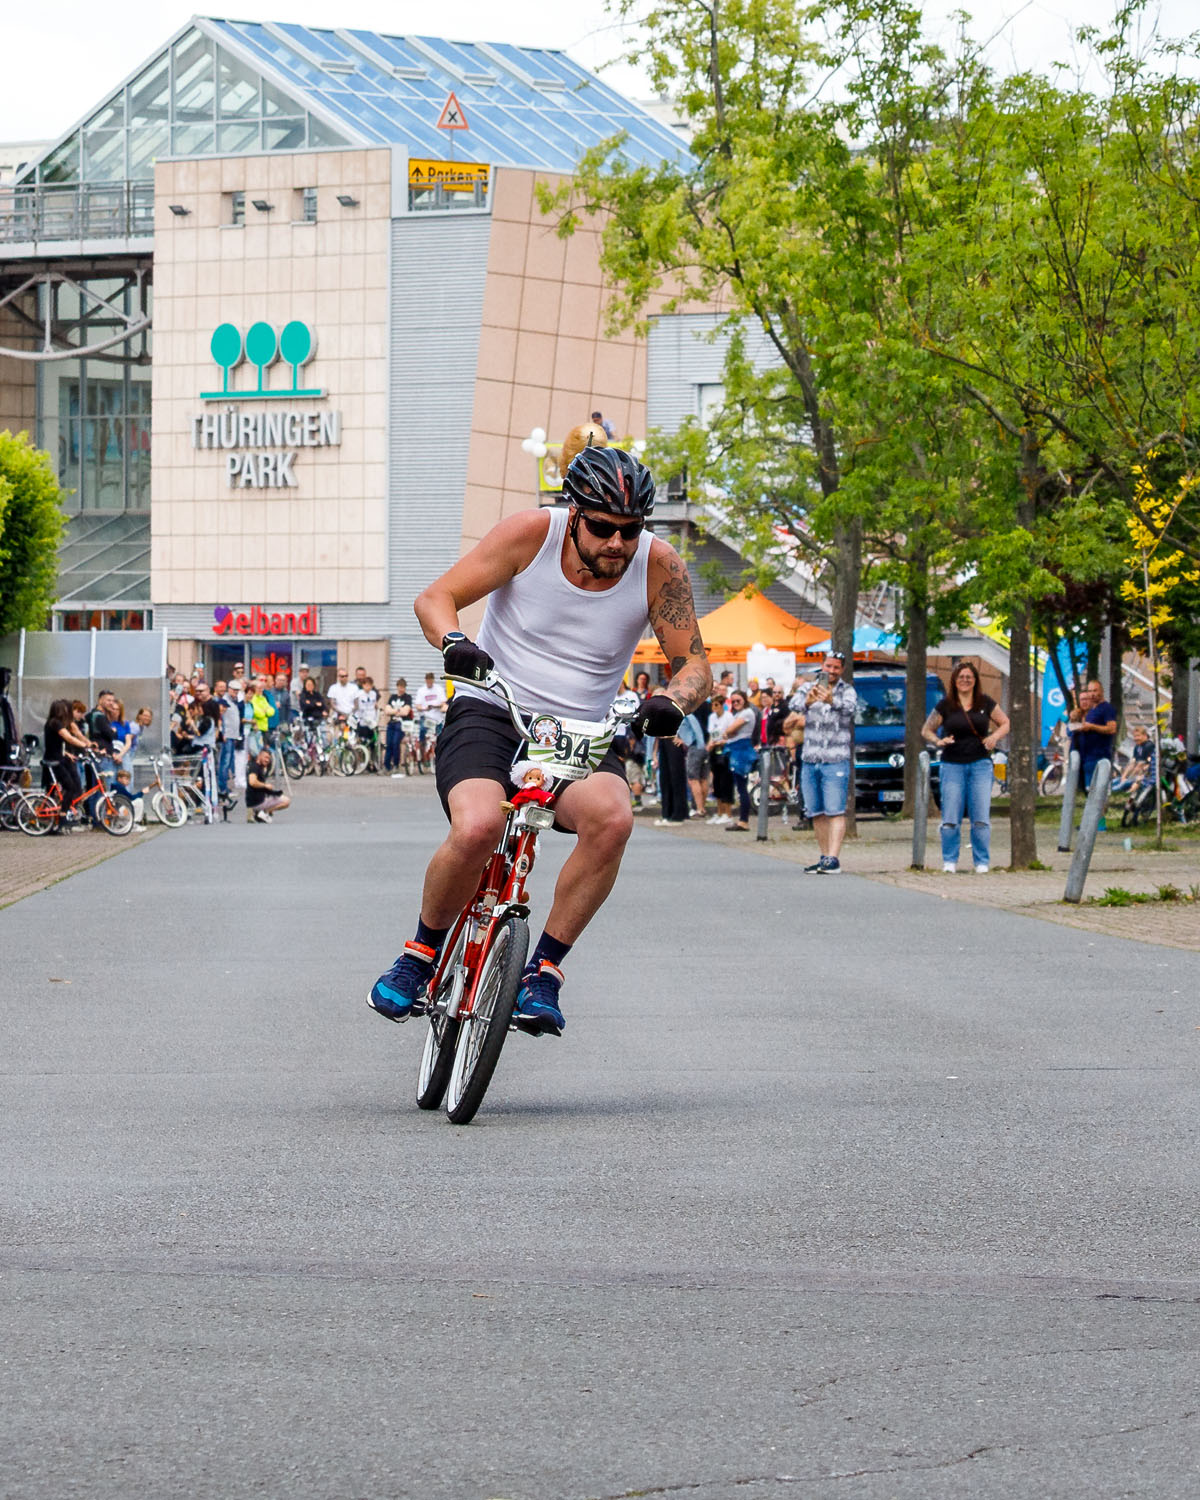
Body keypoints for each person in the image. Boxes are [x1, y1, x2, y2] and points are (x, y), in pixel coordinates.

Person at [368, 444, 710, 1038]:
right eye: (603, 528)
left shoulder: (660, 567)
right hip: (494, 709)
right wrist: (454, 642)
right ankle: (420, 954)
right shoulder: (532, 534)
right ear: (574, 513)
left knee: (614, 818)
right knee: (477, 827)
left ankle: (544, 970)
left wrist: (673, 701)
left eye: (630, 532)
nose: (617, 545)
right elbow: (434, 598)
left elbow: (695, 666)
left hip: (584, 728)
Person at [922, 660, 1010, 874]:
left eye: (969, 677)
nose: (965, 680)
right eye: (961, 677)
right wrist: (938, 741)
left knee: (980, 817)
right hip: (952, 765)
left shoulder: (985, 702)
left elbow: (1005, 722)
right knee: (951, 817)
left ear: (975, 680)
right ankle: (949, 861)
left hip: (980, 764)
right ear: (954, 680)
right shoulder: (946, 705)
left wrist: (994, 737)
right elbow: (926, 730)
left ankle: (981, 862)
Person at [797, 651, 857, 873]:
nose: (831, 671)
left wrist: (832, 700)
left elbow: (851, 709)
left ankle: (834, 857)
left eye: (836, 668)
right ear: (822, 666)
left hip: (835, 759)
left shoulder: (847, 690)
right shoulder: (808, 687)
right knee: (816, 812)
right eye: (828, 666)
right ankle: (824, 857)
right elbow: (793, 706)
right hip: (811, 758)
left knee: (835, 810)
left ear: (841, 670)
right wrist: (808, 700)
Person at [709, 688, 757, 831]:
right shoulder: (738, 714)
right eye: (733, 701)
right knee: (738, 786)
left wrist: (728, 732)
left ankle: (744, 821)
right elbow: (727, 732)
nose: (736, 703)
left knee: (741, 787)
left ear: (745, 700)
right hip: (735, 748)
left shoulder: (747, 713)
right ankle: (742, 819)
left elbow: (729, 731)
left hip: (741, 749)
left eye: (738, 700)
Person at [1069, 678, 1117, 789]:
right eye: (1090, 691)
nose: (1092, 694)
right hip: (1087, 757)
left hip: (1099, 756)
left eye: (1095, 691)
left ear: (1101, 691)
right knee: (1089, 791)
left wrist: (1092, 727)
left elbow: (1112, 729)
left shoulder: (1106, 708)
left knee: (1098, 793)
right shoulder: (1092, 710)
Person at [245, 748, 290, 823]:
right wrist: (265, 785)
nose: (267, 760)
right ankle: (264, 812)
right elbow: (252, 782)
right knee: (286, 801)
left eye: (268, 758)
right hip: (257, 801)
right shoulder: (254, 767)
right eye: (265, 757)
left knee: (276, 795)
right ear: (259, 756)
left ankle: (259, 812)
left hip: (255, 800)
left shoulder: (258, 767)